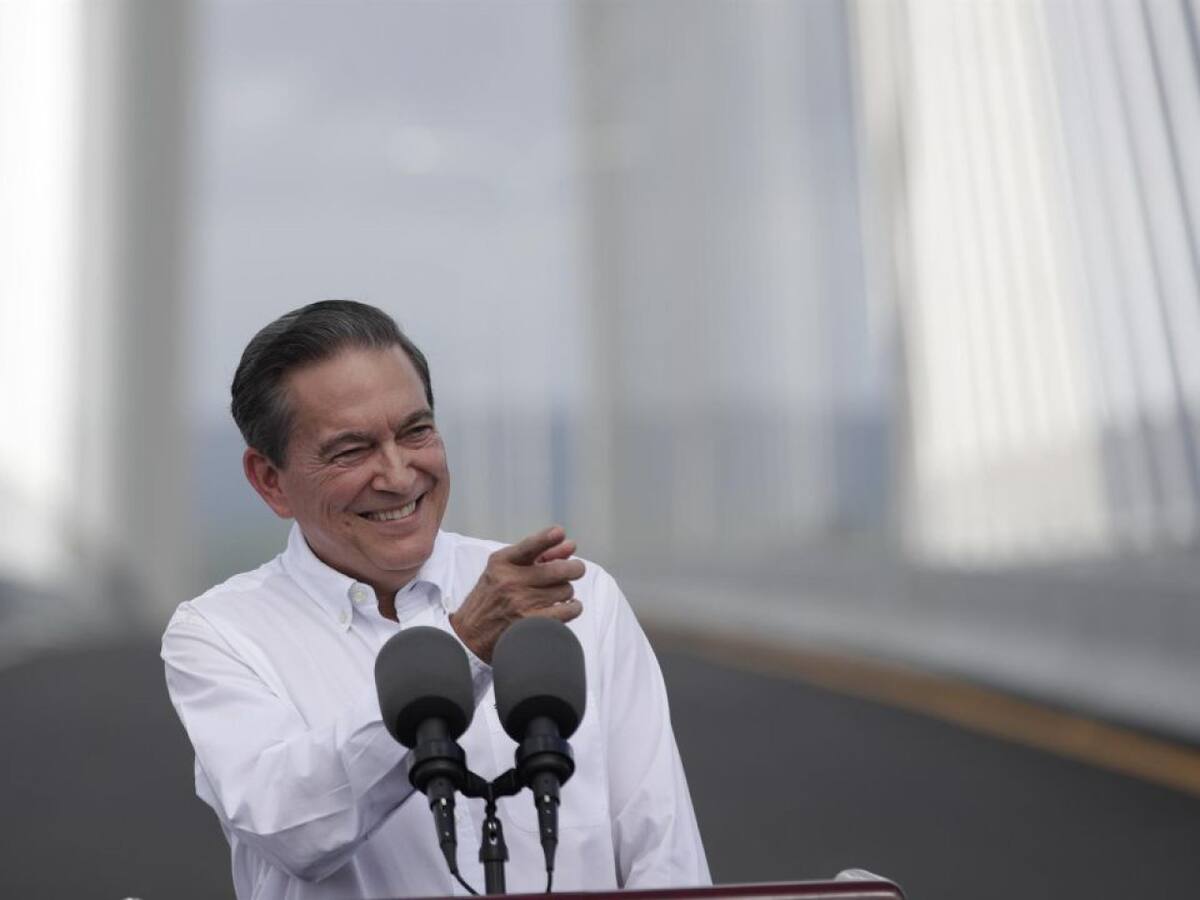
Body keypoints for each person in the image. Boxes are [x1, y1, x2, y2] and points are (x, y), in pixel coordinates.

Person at [162, 300, 710, 900]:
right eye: (351, 451)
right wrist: (466, 644)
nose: (398, 475)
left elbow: (665, 858)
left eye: (415, 431)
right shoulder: (220, 634)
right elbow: (290, 826)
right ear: (270, 480)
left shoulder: (574, 596)